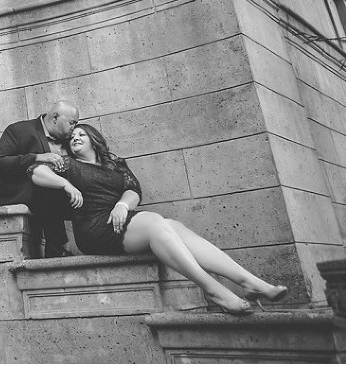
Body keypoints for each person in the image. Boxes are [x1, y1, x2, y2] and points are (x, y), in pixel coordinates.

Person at [28, 123, 288, 315]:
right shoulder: (67, 165)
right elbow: (35, 171)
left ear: (94, 140)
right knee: (155, 222)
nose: (75, 138)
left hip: (121, 217)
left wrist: (121, 205)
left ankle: (250, 282)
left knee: (175, 226)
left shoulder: (115, 164)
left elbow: (133, 190)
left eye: (81, 134)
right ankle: (213, 290)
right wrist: (64, 185)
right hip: (93, 228)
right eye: (72, 136)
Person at [0, 100, 80, 258]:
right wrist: (37, 157)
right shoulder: (19, 130)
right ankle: (57, 247)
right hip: (18, 195)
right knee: (47, 186)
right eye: (72, 122)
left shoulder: (70, 140)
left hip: (54, 203)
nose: (74, 128)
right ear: (55, 117)